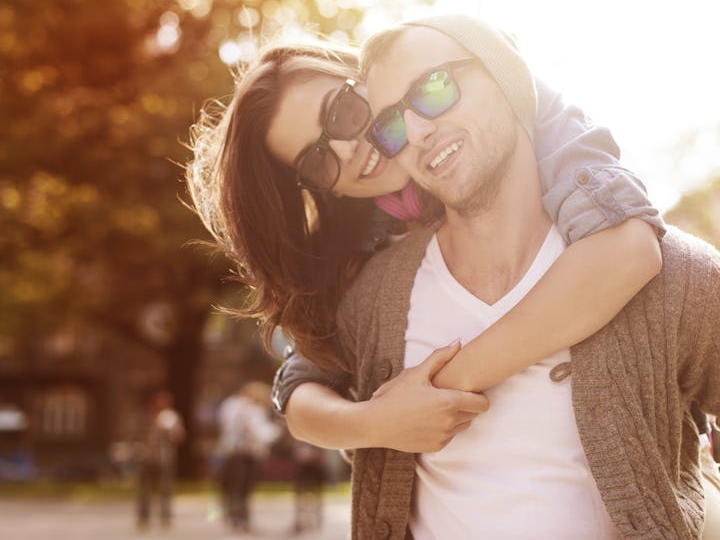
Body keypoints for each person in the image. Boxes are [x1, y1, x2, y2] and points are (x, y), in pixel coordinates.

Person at [276, 14, 720, 539]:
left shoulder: (672, 275)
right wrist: (374, 423)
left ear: (504, 74)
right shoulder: (370, 296)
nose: (416, 130)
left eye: (435, 88)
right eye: (391, 123)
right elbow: (305, 388)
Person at [188, 37, 666, 449]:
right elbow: (300, 389)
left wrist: (447, 384)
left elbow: (628, 249)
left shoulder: (507, 109)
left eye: (340, 111)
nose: (346, 149)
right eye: (315, 161)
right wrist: (377, 423)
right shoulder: (354, 245)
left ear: (366, 75)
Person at [215, 381, 281, 533]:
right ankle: (242, 519)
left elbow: (223, 426)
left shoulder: (229, 405)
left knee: (231, 486)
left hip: (230, 452)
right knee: (244, 489)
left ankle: (232, 517)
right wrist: (277, 430)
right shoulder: (253, 410)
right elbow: (262, 434)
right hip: (247, 455)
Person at [135, 389, 185, 531]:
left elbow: (179, 437)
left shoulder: (171, 416)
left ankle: (166, 517)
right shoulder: (146, 416)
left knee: (166, 489)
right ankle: (143, 517)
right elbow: (138, 434)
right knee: (145, 490)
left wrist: (170, 429)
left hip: (165, 457)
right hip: (147, 457)